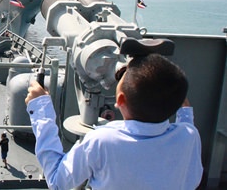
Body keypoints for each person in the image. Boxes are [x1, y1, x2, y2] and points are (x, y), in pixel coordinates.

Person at [25, 53, 203, 189]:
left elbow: (57, 182)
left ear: (120, 100)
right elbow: (192, 179)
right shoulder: (189, 136)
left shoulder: (102, 141)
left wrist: (41, 109)